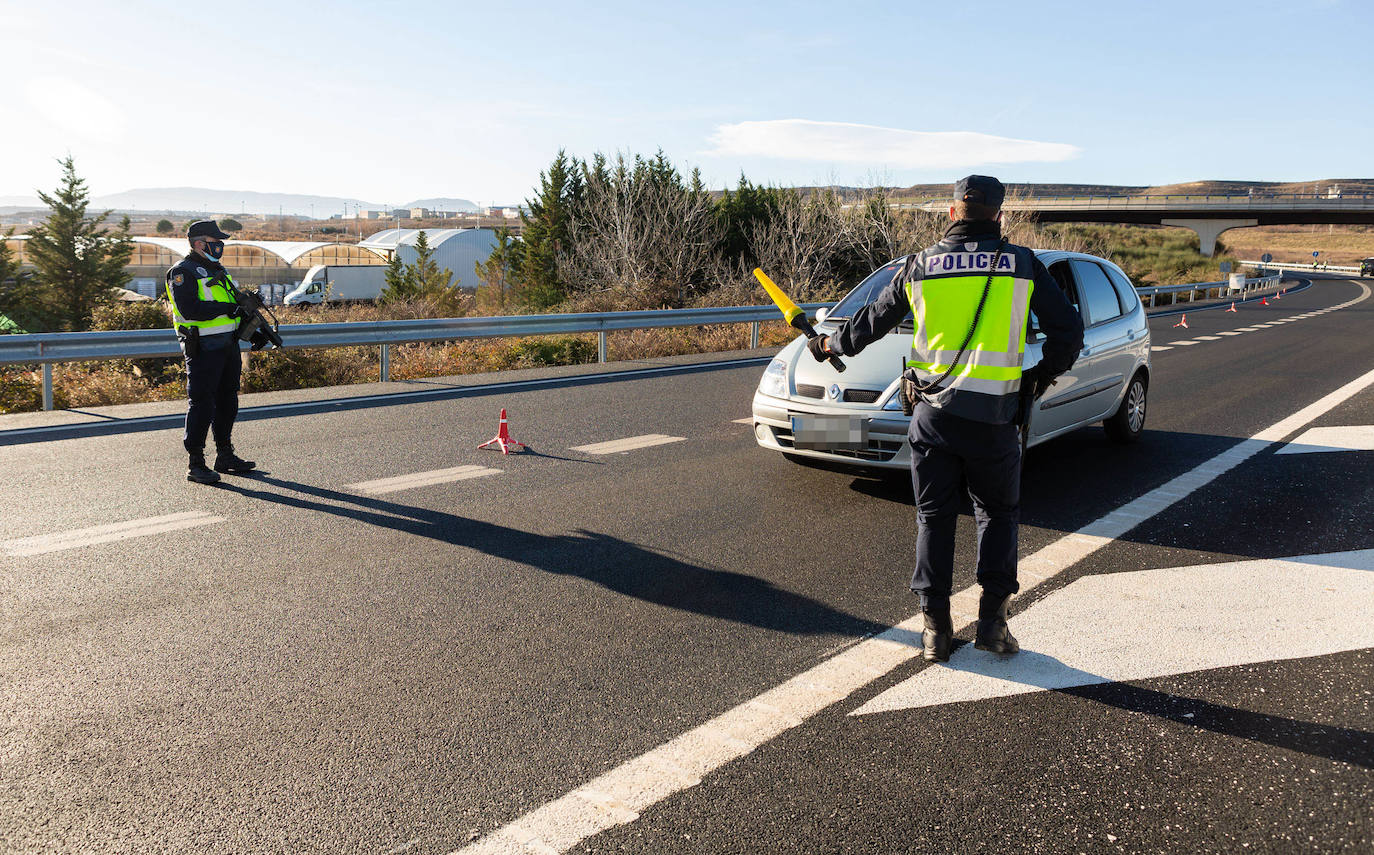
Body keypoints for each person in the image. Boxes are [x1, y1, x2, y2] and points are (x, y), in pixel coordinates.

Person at [808, 175, 1083, 662]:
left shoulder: (919, 266)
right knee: (997, 517)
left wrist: (829, 343)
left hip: (932, 416)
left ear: (952, 213)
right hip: (996, 419)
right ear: (999, 216)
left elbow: (871, 320)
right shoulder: (1022, 265)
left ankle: (935, 630)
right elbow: (1068, 331)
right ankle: (993, 626)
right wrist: (1037, 378)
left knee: (933, 518)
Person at [165, 220, 257, 484]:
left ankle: (225, 455)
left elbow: (233, 306)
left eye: (220, 242)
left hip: (227, 345)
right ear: (197, 243)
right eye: (214, 241)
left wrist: (249, 320)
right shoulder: (182, 272)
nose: (220, 246)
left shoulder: (218, 270)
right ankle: (196, 463)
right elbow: (189, 309)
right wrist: (226, 309)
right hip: (202, 348)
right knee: (202, 404)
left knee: (228, 400)